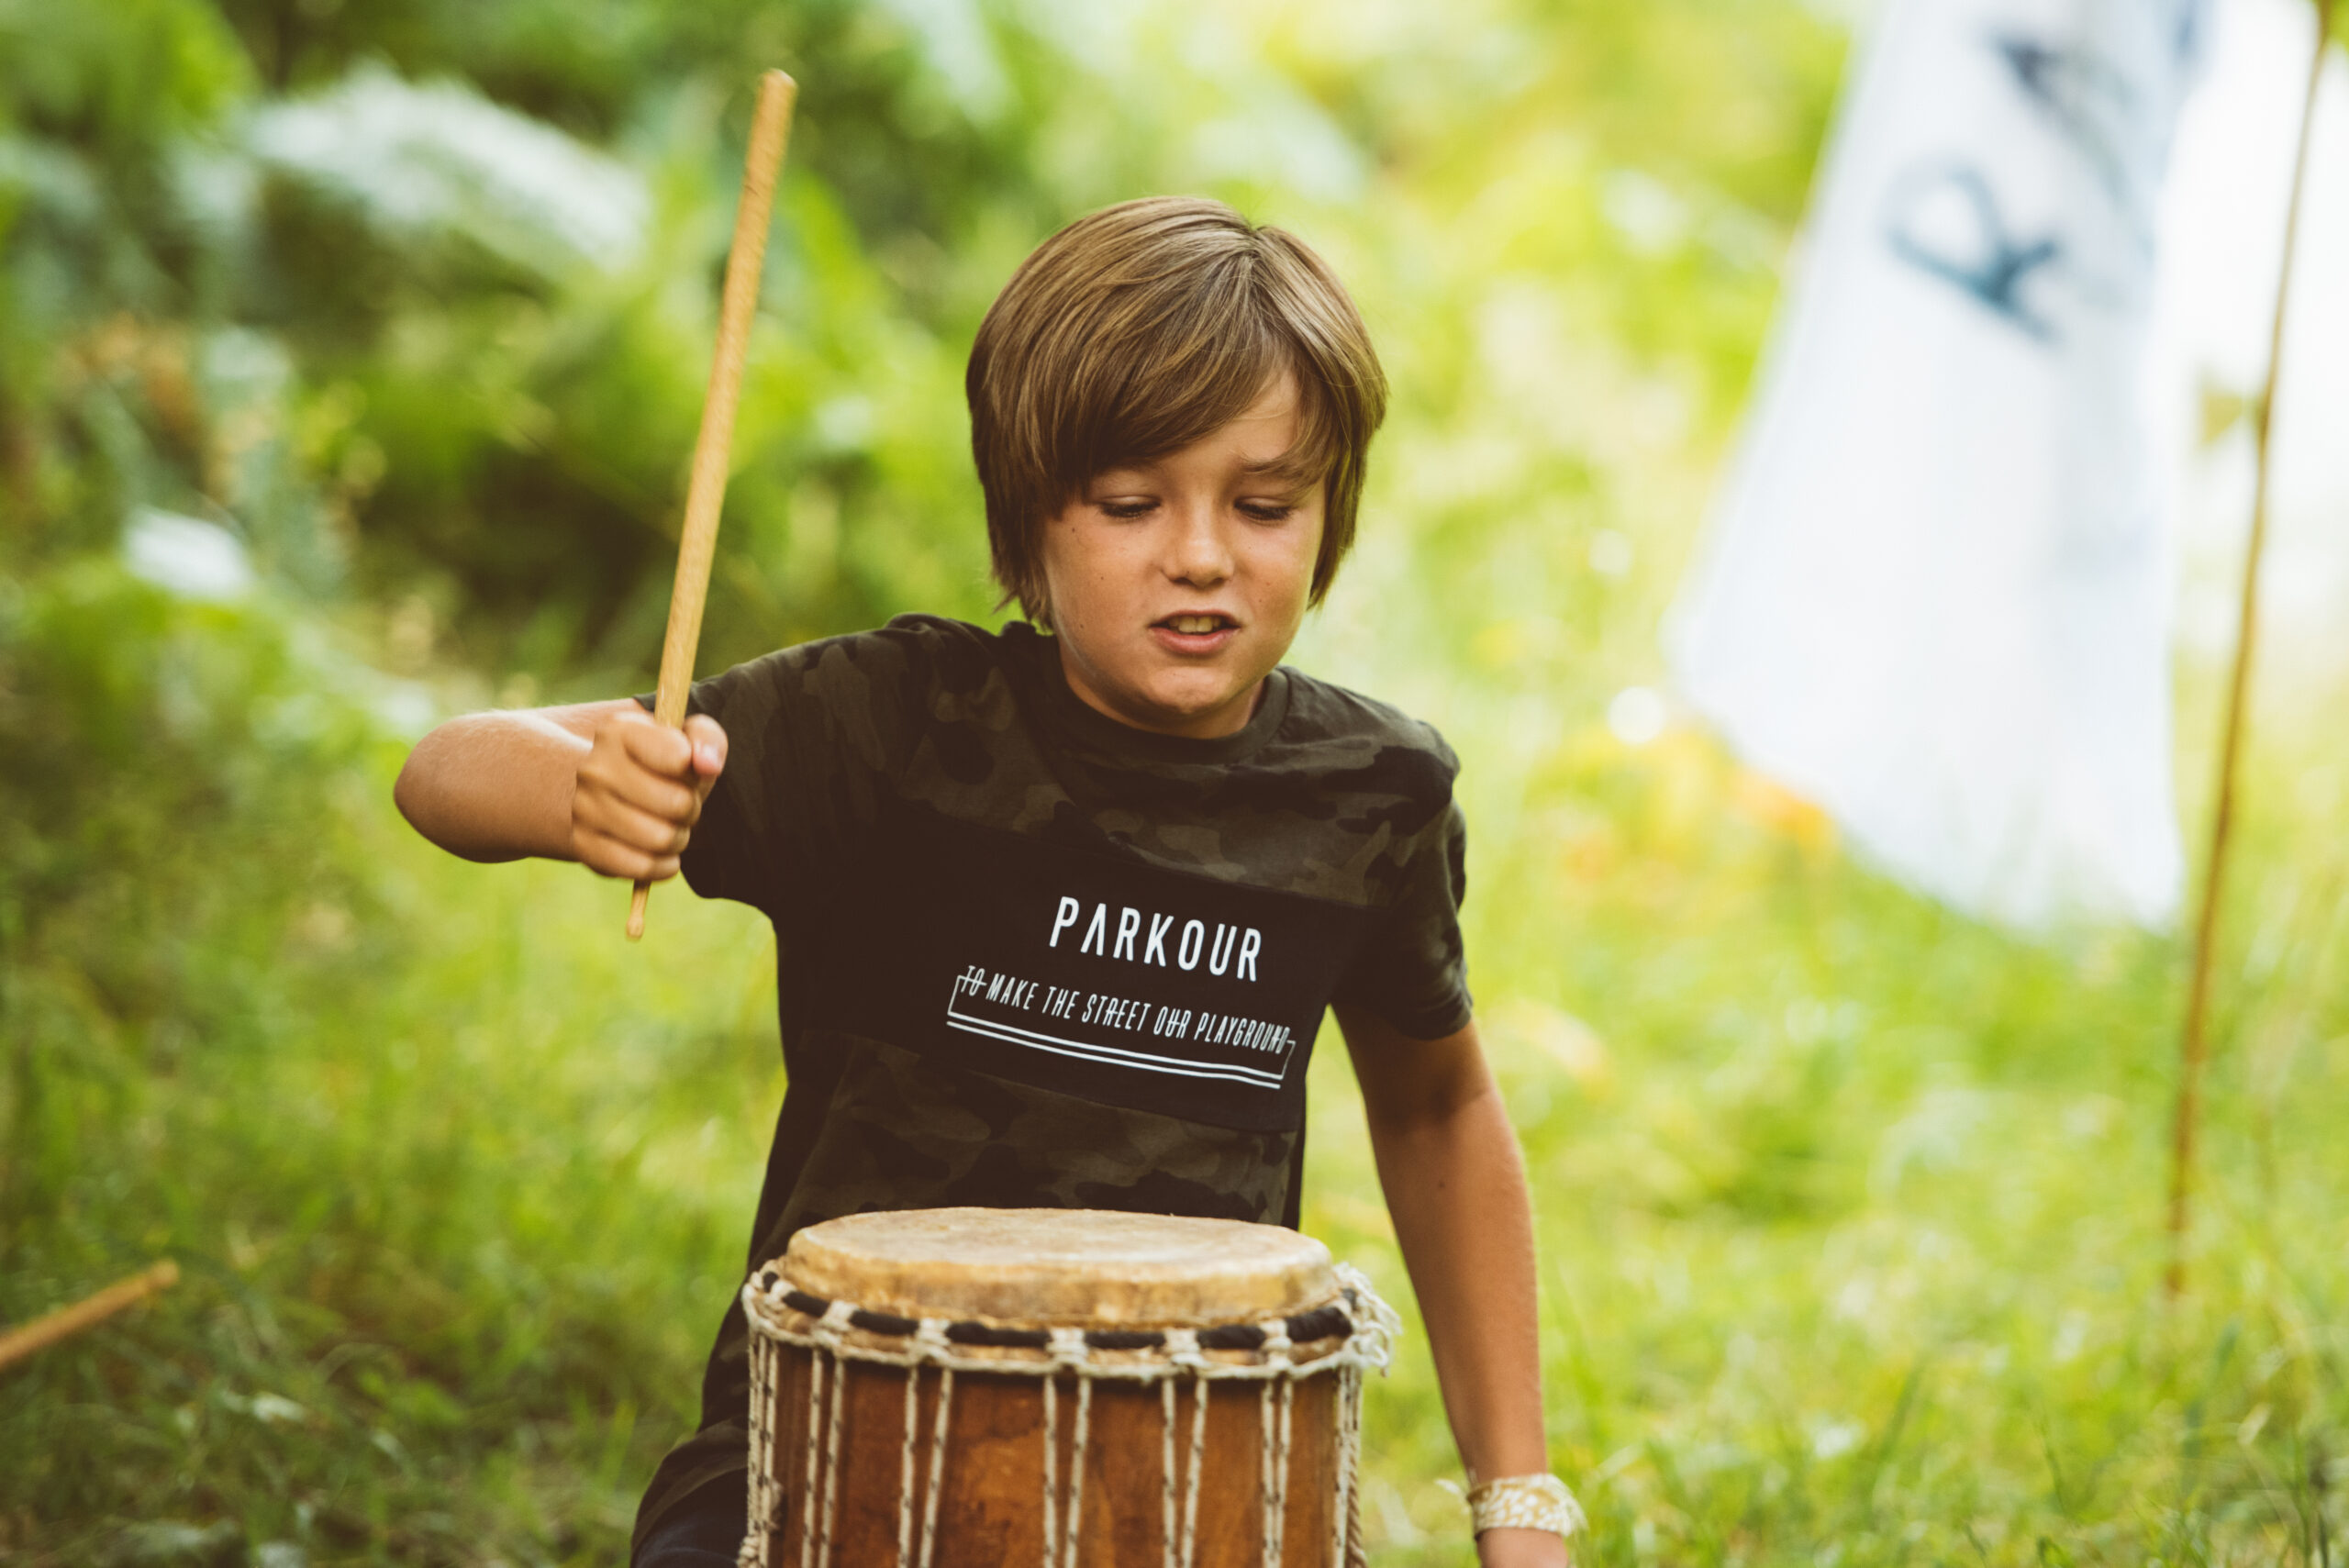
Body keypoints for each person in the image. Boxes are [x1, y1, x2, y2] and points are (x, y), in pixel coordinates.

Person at [395, 195, 1578, 1566]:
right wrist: (585, 788)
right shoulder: (891, 727)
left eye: (1265, 504)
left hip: (1203, 1463)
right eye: (1132, 502)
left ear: (1331, 514)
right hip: (823, 1445)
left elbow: (1439, 1112)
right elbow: (445, 771)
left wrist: (1521, 1505)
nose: (1202, 552)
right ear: (1028, 520)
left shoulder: (1376, 794)